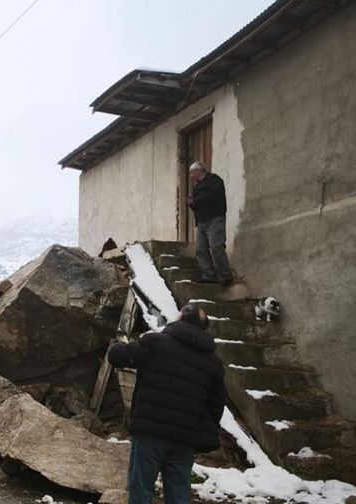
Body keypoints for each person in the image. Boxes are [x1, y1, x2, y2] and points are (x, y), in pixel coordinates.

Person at [108, 304, 226, 504]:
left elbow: (117, 357)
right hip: (185, 439)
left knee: (141, 492)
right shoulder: (213, 363)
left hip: (150, 433)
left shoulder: (155, 343)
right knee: (178, 496)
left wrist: (119, 345)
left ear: (180, 319)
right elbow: (216, 405)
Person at [188, 161, 233, 286]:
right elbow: (198, 205)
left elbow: (213, 196)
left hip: (215, 219)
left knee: (216, 246)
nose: (191, 176)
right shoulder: (197, 187)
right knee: (200, 249)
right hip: (202, 222)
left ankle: (226, 276)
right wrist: (192, 204)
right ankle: (209, 275)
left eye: (192, 173)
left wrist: (196, 200)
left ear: (198, 171)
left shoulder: (214, 180)